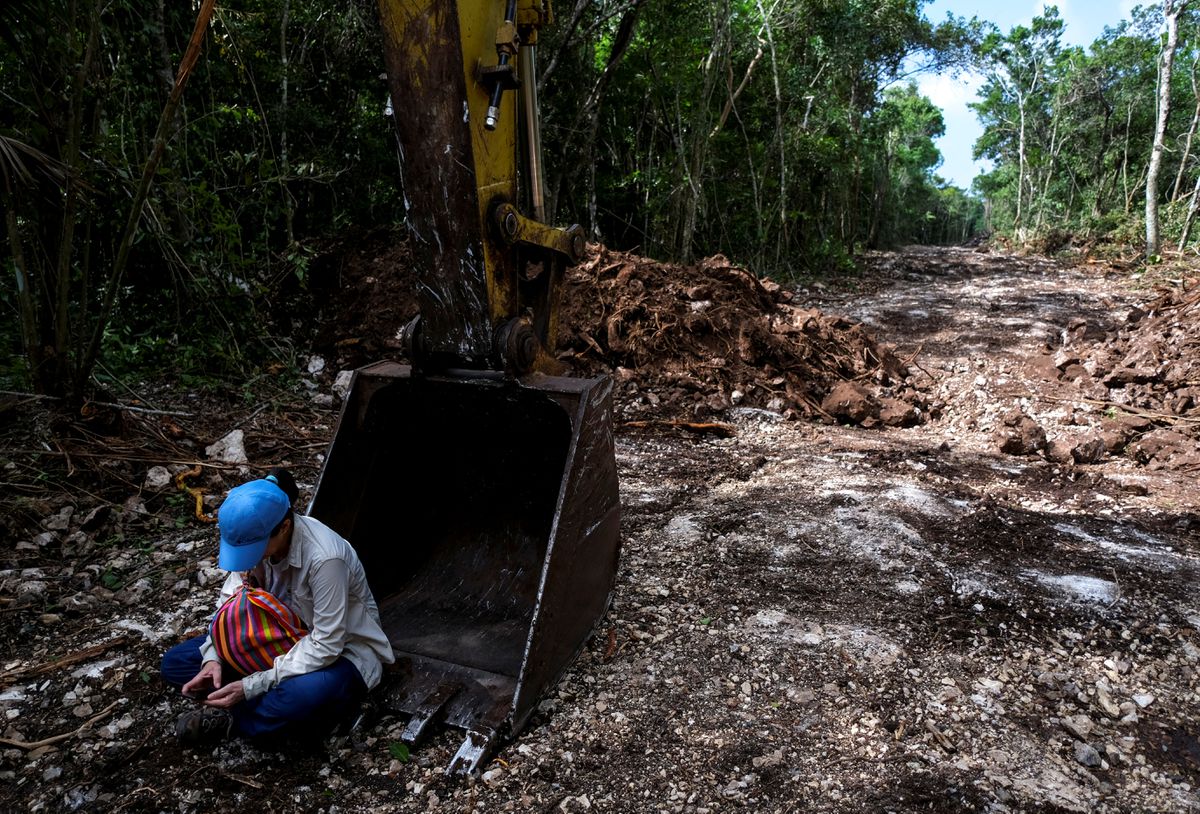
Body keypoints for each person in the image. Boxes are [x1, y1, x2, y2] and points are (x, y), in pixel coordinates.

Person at [160, 468, 394, 746]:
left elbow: (328, 643)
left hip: (340, 653)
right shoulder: (253, 541)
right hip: (272, 640)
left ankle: (234, 719)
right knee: (176, 664)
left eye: (255, 548)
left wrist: (253, 684)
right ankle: (254, 702)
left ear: (284, 527)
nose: (249, 558)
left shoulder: (324, 559)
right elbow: (229, 605)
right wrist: (213, 658)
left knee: (302, 697)